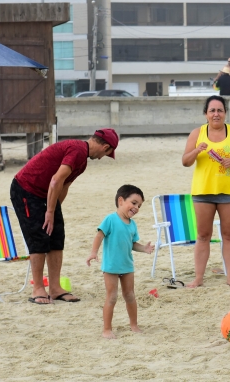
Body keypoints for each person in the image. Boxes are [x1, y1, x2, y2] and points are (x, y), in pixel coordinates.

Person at [10, 128, 119, 304]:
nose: (102, 157)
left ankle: (55, 288)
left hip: (46, 194)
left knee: (56, 235)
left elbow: (63, 185)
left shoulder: (82, 161)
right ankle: (38, 288)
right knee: (38, 235)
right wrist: (49, 212)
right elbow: (55, 180)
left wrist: (55, 210)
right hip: (26, 189)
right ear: (105, 146)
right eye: (107, 153)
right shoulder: (77, 151)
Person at [182, 96, 230, 288]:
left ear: (225, 113)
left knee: (229, 234)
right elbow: (185, 162)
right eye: (212, 110)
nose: (216, 114)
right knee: (203, 235)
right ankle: (198, 278)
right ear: (206, 114)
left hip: (229, 191)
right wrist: (197, 150)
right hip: (203, 191)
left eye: (220, 110)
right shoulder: (197, 133)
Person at [86, 185, 153, 339]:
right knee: (112, 296)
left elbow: (133, 244)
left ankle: (134, 324)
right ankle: (107, 329)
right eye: (134, 203)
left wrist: (144, 248)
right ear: (121, 200)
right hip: (111, 266)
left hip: (127, 266)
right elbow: (99, 236)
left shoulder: (133, 224)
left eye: (139, 206)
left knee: (130, 295)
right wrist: (93, 253)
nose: (136, 207)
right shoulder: (110, 219)